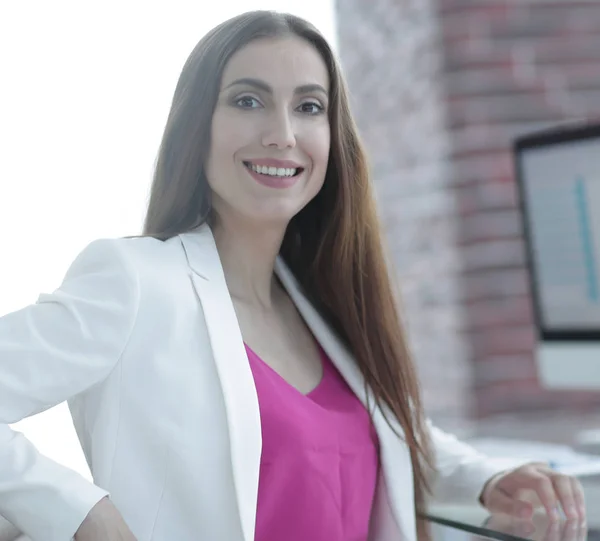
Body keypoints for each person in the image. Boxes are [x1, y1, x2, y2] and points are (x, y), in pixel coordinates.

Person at [0, 10, 587, 541]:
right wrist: (83, 514)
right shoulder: (135, 281)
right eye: (248, 101)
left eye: (309, 107)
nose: (282, 133)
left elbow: (385, 434)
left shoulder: (316, 301)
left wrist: (489, 479)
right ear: (196, 125)